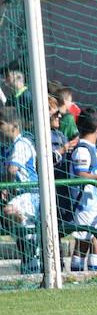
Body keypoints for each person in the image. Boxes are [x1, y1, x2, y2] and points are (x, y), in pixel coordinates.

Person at [0, 107, 40, 272]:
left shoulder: (22, 143)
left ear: (14, 125)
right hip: (18, 195)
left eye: (1, 124)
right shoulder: (7, 147)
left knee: (10, 211)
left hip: (29, 194)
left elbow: (12, 170)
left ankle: (34, 258)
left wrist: (4, 187)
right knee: (22, 232)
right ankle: (30, 266)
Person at [67, 109, 97, 272]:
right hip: (84, 204)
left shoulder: (92, 149)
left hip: (95, 203)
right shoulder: (82, 149)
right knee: (83, 241)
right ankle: (76, 275)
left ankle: (96, 273)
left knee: (96, 238)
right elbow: (81, 174)